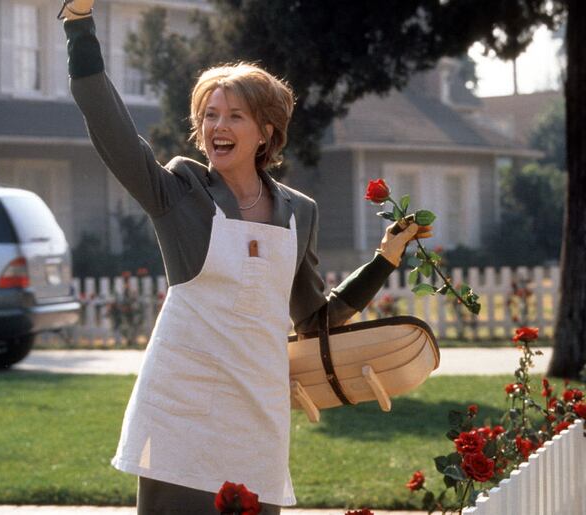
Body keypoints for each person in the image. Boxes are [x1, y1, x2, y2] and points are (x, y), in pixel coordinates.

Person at [58, 2, 431, 513]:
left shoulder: (300, 211)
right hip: (180, 414)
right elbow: (108, 123)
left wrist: (385, 259)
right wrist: (79, 24)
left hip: (258, 416)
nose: (218, 126)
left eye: (235, 115)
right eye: (209, 115)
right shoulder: (178, 193)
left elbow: (314, 319)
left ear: (266, 132)